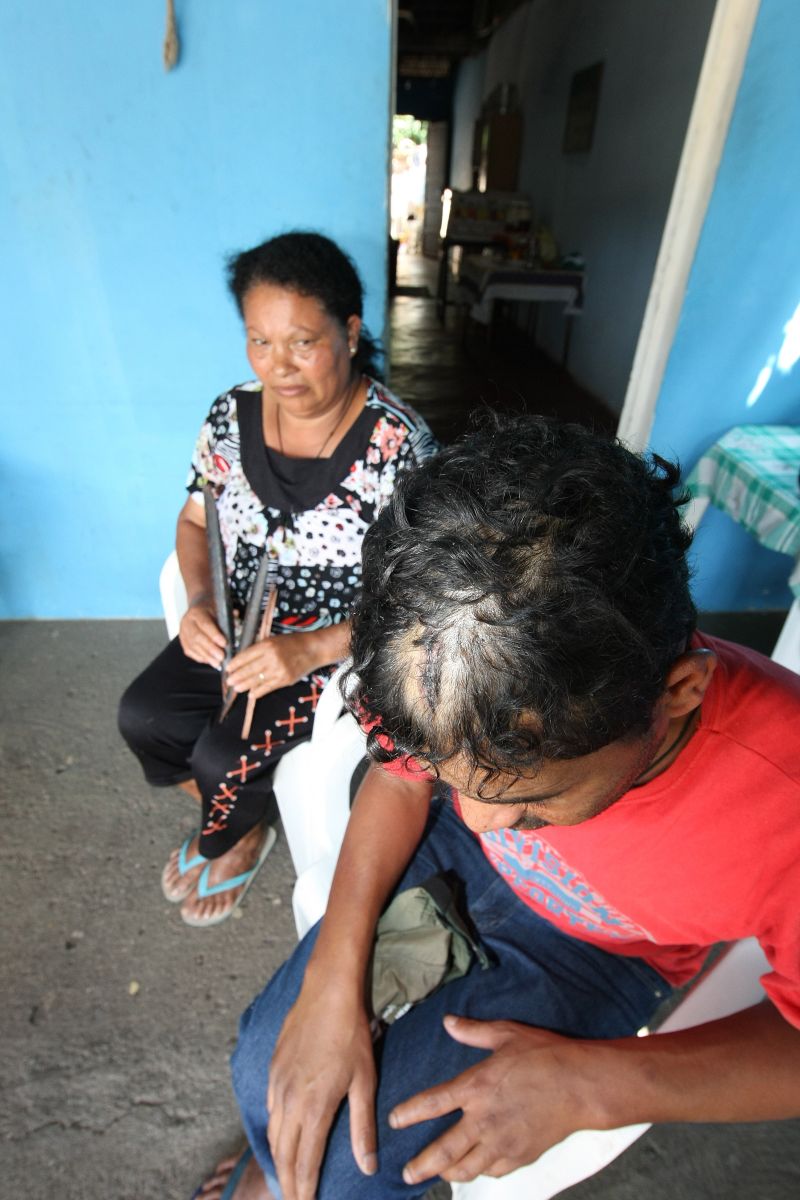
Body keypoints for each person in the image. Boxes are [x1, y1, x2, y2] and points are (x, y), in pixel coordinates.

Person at [198, 414, 800, 1200]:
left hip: (604, 950)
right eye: (453, 780)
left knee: (348, 1173)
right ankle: (271, 1170)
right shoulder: (442, 660)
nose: (478, 819)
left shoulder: (782, 798)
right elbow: (402, 782)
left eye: (532, 800)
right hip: (454, 870)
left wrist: (596, 1084)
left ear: (680, 694)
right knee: (259, 1065)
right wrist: (331, 978)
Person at [118, 231, 436, 929]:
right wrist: (201, 602)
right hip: (237, 623)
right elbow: (195, 522)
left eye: (302, 342)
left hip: (341, 647)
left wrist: (310, 649)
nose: (278, 366)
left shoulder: (399, 445)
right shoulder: (228, 416)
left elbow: (421, 596)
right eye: (259, 342)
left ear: (349, 331)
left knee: (222, 757)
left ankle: (231, 833)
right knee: (144, 718)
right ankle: (237, 814)